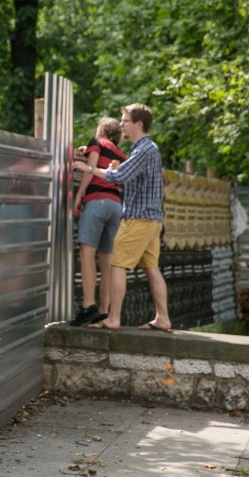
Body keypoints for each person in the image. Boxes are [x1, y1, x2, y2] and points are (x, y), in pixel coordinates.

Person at [82, 103, 171, 332]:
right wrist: (116, 167)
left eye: (125, 121)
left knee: (117, 265)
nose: (121, 124)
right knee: (152, 267)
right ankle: (163, 318)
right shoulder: (145, 149)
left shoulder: (144, 149)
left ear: (138, 124)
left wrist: (88, 169)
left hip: (138, 219)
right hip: (151, 219)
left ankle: (113, 318)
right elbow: (129, 176)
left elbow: (119, 177)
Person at [70, 117, 126, 326]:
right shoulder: (120, 154)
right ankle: (104, 310)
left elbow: (91, 168)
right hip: (116, 206)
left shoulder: (98, 142)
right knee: (107, 261)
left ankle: (88, 305)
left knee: (87, 252)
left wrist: (79, 195)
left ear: (102, 130)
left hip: (96, 202)